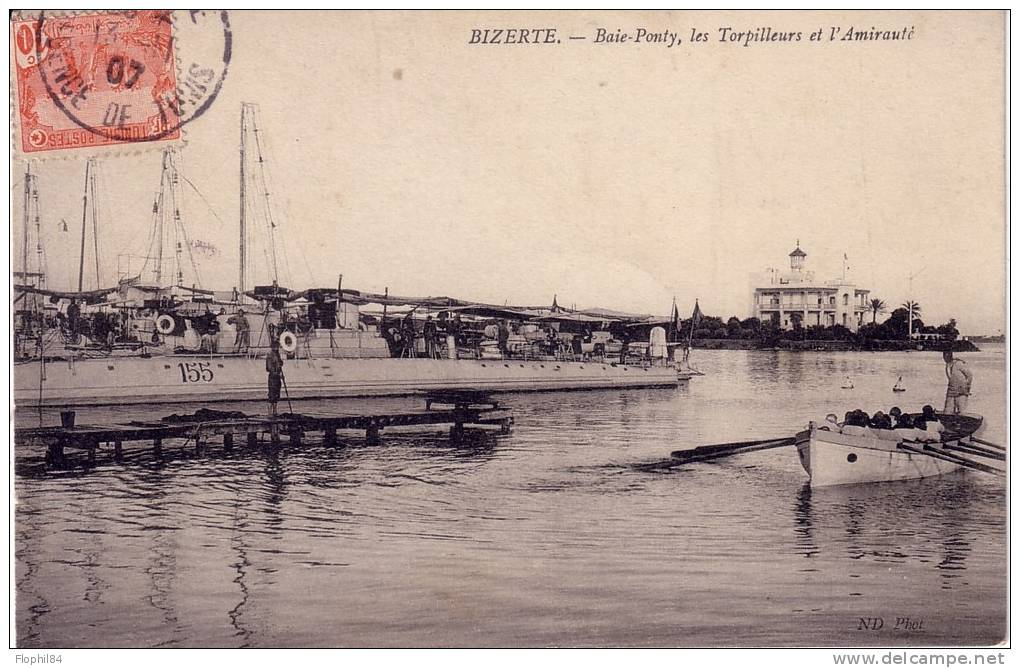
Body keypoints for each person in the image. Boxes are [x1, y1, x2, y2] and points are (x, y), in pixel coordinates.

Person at [943, 350, 973, 415]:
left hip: (961, 391)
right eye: (944, 356)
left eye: (947, 356)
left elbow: (969, 375)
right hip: (951, 391)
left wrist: (967, 386)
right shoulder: (947, 366)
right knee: (947, 412)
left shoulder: (958, 364)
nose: (945, 358)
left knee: (962, 411)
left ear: (951, 356)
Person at [266, 338, 284, 416]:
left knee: (277, 394)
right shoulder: (270, 355)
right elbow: (269, 368)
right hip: (273, 377)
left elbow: (279, 366)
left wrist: (281, 374)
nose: (277, 348)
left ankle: (275, 411)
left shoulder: (277, 354)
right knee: (272, 394)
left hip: (277, 377)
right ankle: (270, 411)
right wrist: (277, 373)